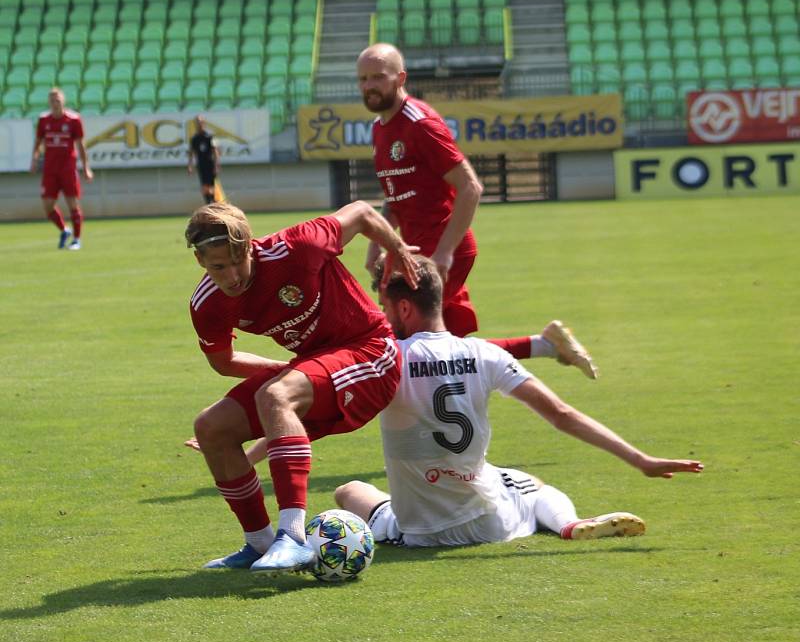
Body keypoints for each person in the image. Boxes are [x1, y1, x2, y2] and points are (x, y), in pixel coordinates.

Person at [333, 257, 704, 548]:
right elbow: (561, 414)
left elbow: (329, 404)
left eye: (385, 306)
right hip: (489, 524)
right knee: (532, 485)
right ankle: (567, 524)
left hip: (419, 532)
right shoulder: (484, 354)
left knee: (348, 491)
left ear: (405, 308)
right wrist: (642, 461)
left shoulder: (385, 359)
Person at [185, 200, 419, 573]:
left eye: (237, 261)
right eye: (218, 267)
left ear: (250, 246)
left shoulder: (297, 246)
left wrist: (398, 250)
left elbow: (360, 212)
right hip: (318, 364)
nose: (231, 276)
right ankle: (259, 544)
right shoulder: (208, 304)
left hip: (371, 352)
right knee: (212, 427)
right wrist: (290, 370)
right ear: (200, 261)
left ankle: (292, 537)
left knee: (276, 394)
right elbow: (224, 362)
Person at [356, 43, 598, 379]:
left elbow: (471, 187)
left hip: (438, 252)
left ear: (401, 78)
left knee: (404, 347)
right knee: (450, 352)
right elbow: (394, 195)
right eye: (363, 79)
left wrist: (444, 254)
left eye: (378, 77)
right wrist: (378, 243)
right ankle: (546, 344)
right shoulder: (379, 129)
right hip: (414, 251)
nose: (369, 86)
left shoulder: (421, 124)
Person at [31, 87, 93, 250]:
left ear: (63, 101)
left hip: (67, 168)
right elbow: (38, 142)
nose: (54, 102)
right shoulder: (44, 120)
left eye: (57, 99)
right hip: (50, 169)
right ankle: (65, 230)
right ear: (49, 102)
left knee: (72, 203)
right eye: (52, 100)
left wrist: (86, 167)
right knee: (47, 205)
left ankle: (77, 240)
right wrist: (34, 159)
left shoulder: (73, 120)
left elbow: (81, 145)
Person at [188, 115, 221, 205]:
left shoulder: (209, 137)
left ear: (204, 123)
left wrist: (217, 165)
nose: (199, 124)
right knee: (204, 186)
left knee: (211, 186)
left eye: (201, 122)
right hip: (201, 165)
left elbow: (216, 152)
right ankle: (208, 203)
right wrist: (190, 166)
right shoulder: (194, 139)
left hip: (210, 164)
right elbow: (192, 153)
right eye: (197, 122)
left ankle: (213, 202)